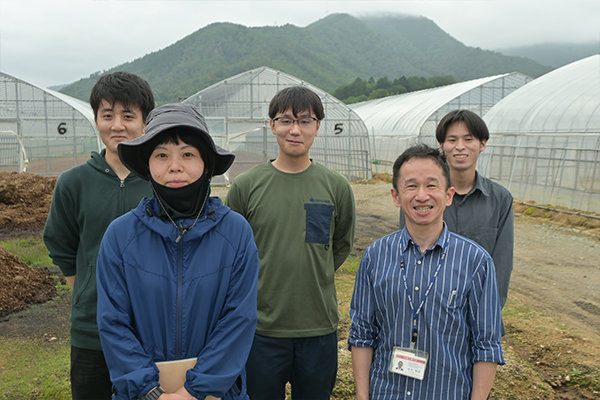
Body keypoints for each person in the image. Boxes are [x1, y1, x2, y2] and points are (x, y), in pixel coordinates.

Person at [96, 102, 259, 400]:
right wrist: (149, 390)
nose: (174, 166)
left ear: (206, 164)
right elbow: (113, 322)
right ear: (147, 164)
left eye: (188, 154)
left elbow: (239, 319)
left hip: (217, 393)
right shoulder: (120, 236)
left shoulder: (236, 233)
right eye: (161, 155)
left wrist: (193, 391)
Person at [225, 86, 356, 400]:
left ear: (318, 127)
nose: (295, 129)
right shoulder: (246, 187)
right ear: (272, 125)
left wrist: (313, 269)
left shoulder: (336, 187)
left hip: (318, 330)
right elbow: (230, 253)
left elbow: (340, 245)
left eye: (305, 121)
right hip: (260, 330)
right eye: (285, 120)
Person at [350, 144, 504, 400]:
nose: (422, 196)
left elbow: (486, 345)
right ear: (396, 196)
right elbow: (362, 334)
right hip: (387, 393)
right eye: (411, 186)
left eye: (432, 185)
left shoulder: (476, 261)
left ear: (449, 195)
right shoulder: (376, 256)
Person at [43, 71, 155, 399]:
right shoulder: (73, 182)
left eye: (128, 116)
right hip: (91, 332)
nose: (117, 125)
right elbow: (61, 244)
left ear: (145, 122)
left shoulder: (161, 182)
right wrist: (87, 290)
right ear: (96, 120)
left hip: (151, 329)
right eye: (107, 115)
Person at [399, 110, 514, 317]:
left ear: (483, 144)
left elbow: (502, 265)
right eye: (452, 140)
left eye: (468, 139)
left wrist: (488, 314)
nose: (460, 147)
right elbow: (406, 255)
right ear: (442, 146)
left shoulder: (500, 199)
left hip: (477, 314)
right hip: (427, 311)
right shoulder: (422, 198)